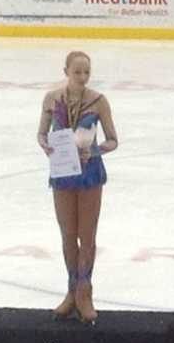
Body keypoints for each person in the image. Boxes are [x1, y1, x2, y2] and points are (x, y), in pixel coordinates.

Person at [37, 51, 118, 324]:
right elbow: (41, 133)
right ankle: (71, 289)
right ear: (66, 71)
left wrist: (93, 150)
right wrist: (45, 145)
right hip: (62, 172)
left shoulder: (98, 102)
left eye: (87, 72)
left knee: (87, 234)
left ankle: (85, 291)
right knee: (68, 234)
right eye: (77, 72)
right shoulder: (51, 99)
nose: (83, 77)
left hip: (89, 173)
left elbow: (113, 140)